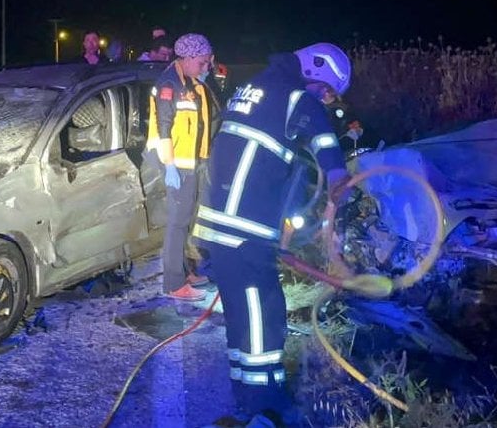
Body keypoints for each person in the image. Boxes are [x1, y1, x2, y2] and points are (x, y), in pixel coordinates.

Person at [193, 42, 352, 423]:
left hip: (221, 224)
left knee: (240, 314)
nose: (326, 100)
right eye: (328, 90)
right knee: (263, 312)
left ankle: (246, 397)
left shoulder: (258, 86)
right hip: (242, 227)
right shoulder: (297, 95)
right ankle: (265, 403)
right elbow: (324, 140)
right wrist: (337, 177)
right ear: (317, 69)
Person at [148, 33, 215, 301]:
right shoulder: (169, 84)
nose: (206, 67)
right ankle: (174, 284)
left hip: (192, 162)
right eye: (202, 62)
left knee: (186, 221)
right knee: (177, 224)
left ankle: (185, 271)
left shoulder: (191, 83)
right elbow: (164, 128)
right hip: (176, 163)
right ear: (186, 59)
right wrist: (171, 165)